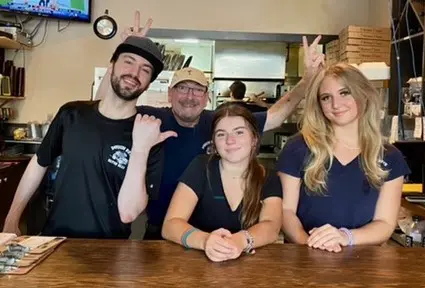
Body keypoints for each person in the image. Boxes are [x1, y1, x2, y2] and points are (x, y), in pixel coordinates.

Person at [95, 12, 325, 240]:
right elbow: (106, 106)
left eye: (196, 90)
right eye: (182, 88)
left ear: (206, 97)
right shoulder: (151, 119)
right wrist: (125, 54)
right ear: (170, 94)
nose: (189, 96)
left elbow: (275, 116)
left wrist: (307, 81)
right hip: (160, 230)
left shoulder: (218, 122)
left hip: (212, 231)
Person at [2, 34, 177, 239]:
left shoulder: (149, 135)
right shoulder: (72, 114)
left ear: (148, 84)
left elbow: (129, 212)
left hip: (109, 250)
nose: (134, 73)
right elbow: (39, 163)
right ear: (111, 66)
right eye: (128, 62)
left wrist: (140, 148)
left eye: (145, 70)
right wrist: (12, 218)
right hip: (55, 239)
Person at [277, 63, 411, 252]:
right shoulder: (297, 148)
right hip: (304, 257)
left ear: (363, 94)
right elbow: (285, 211)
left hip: (363, 261)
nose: (336, 104)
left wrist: (344, 237)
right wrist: (309, 244)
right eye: (326, 97)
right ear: (319, 104)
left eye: (345, 92)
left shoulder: (390, 157)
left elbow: (385, 223)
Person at [161, 102, 282, 262]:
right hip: (199, 264)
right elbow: (170, 225)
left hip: (251, 267)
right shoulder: (200, 167)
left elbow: (272, 226)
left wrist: (240, 241)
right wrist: (206, 241)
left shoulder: (268, 177)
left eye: (239, 132)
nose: (230, 140)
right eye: (221, 134)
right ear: (214, 144)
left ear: (254, 139)